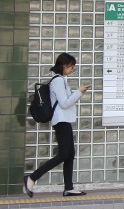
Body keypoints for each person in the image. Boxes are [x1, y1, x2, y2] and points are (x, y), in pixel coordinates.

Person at [24, 52, 91, 197]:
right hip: (61, 121)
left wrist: (77, 92)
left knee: (69, 154)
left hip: (64, 120)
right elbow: (65, 103)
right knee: (63, 154)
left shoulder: (61, 80)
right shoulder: (58, 81)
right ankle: (31, 178)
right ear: (64, 65)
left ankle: (69, 187)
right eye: (71, 66)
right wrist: (79, 92)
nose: (72, 69)